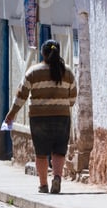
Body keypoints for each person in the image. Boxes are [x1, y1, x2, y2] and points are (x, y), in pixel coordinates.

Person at [5, 39, 77, 194]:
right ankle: (57, 177)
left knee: (41, 152)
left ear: (43, 53)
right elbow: (73, 98)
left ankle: (43, 184)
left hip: (39, 118)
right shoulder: (68, 72)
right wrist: (63, 104)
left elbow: (21, 95)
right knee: (59, 150)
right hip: (61, 117)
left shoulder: (33, 72)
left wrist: (11, 114)